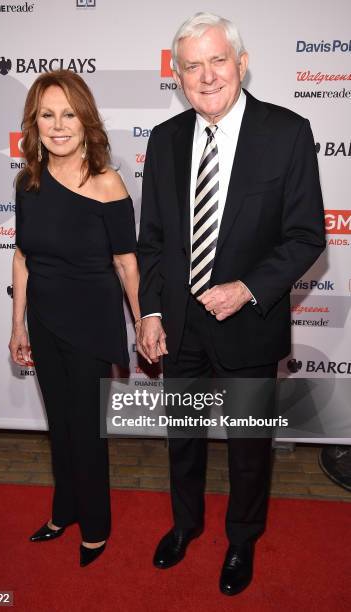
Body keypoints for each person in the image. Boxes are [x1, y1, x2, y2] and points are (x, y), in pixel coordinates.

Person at [137, 13, 326, 595]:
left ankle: (242, 540)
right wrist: (150, 311)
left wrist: (247, 288)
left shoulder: (288, 132)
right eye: (192, 65)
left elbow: (306, 235)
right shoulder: (165, 140)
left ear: (241, 64)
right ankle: (184, 526)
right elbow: (154, 243)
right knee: (183, 438)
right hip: (181, 325)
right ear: (179, 76)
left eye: (217, 60)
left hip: (251, 321)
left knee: (248, 446)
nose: (207, 75)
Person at [9, 70, 140, 567]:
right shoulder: (28, 181)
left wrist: (144, 322)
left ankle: (97, 525)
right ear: (35, 123)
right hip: (43, 318)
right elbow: (22, 256)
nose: (58, 125)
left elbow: (127, 262)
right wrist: (18, 323)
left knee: (86, 429)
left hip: (89, 323)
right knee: (58, 425)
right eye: (47, 115)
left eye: (68, 114)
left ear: (86, 121)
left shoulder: (107, 183)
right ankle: (63, 511)